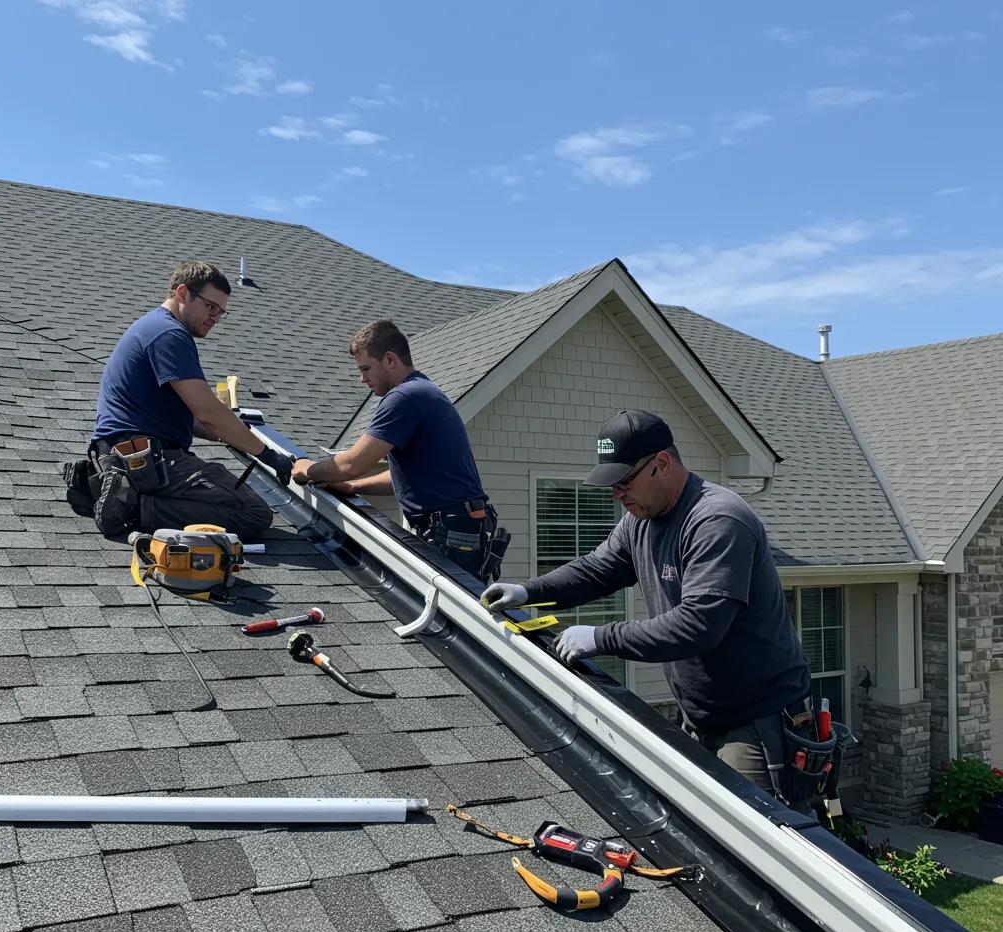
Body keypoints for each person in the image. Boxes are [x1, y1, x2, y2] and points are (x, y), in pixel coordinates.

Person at [481, 409, 814, 806]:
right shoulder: (640, 520)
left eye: (624, 482)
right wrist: (526, 592)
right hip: (701, 717)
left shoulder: (717, 521)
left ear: (662, 464)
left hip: (758, 723)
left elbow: (699, 625)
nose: (617, 494)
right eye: (612, 485)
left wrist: (602, 637)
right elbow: (596, 571)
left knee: (760, 843)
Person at [86, 261, 293, 539]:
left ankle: (126, 494)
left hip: (127, 454)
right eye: (210, 307)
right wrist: (266, 455)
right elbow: (207, 412)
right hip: (143, 459)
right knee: (254, 512)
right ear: (183, 293)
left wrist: (232, 432)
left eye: (221, 312)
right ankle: (133, 505)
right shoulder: (169, 334)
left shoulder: (152, 327)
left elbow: (194, 420)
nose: (215, 317)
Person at [292, 319, 506, 582]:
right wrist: (353, 487)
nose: (362, 379)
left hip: (451, 530)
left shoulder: (405, 397)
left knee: (452, 614)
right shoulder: (423, 391)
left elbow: (352, 463)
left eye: (366, 368)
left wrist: (306, 468)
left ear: (390, 359)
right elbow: (406, 479)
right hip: (461, 524)